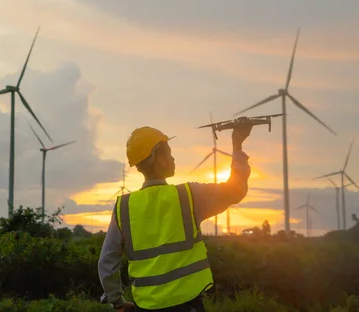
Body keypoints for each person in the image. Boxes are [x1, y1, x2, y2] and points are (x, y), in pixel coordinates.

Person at [98, 123, 253, 311]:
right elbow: (235, 190)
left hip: (147, 307)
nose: (173, 158)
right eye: (169, 153)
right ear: (158, 157)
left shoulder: (124, 207)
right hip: (188, 305)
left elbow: (107, 261)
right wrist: (237, 146)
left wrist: (117, 302)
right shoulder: (188, 196)